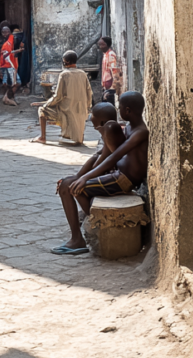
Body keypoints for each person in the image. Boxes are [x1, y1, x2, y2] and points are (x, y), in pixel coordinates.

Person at [51, 92, 149, 254]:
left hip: (123, 180)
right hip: (118, 174)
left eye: (121, 108)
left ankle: (86, 232)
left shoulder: (140, 132)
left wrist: (84, 178)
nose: (119, 111)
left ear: (128, 111)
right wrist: (79, 176)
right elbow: (106, 154)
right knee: (69, 183)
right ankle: (83, 230)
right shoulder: (129, 127)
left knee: (73, 188)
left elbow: (115, 156)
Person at [50, 102, 124, 254]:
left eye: (96, 126)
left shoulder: (111, 133)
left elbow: (104, 160)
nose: (96, 130)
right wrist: (78, 176)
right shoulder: (110, 130)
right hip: (105, 175)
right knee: (67, 182)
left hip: (113, 181)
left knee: (68, 187)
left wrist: (81, 179)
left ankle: (77, 239)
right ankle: (77, 236)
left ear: (103, 124)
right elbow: (98, 157)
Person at [30, 50, 92, 145]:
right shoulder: (83, 74)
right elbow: (89, 93)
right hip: (82, 111)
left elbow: (58, 97)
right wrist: (87, 108)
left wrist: (46, 104)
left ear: (65, 61)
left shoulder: (64, 74)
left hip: (66, 111)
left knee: (42, 110)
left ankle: (42, 137)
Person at [0, 27, 21, 105]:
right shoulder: (5, 43)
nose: (5, 34)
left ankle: (9, 96)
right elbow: (3, 55)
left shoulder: (12, 40)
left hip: (10, 65)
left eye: (7, 32)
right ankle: (8, 97)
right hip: (6, 65)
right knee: (9, 82)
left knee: (14, 82)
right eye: (3, 32)